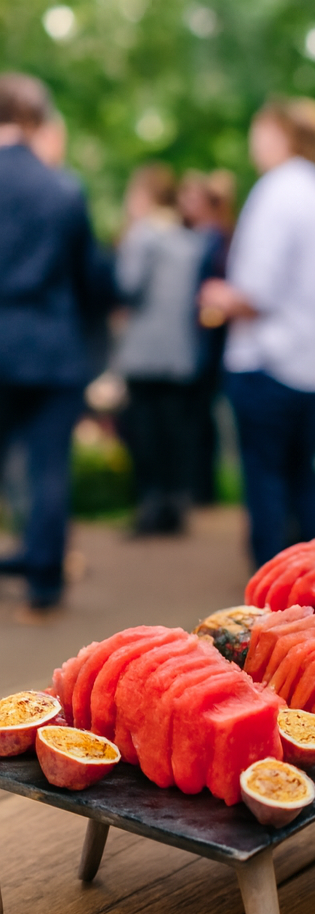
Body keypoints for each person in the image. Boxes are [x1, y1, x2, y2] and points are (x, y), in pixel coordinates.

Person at [199, 97, 315, 566]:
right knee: (303, 478)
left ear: (277, 132)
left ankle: (269, 598)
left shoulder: (278, 191)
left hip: (268, 363)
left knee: (266, 482)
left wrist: (218, 295)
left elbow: (256, 290)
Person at [0, 73, 114, 615]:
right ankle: (44, 579)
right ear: (35, 119)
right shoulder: (62, 187)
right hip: (51, 347)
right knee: (49, 467)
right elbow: (91, 278)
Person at [114, 163, 206, 535]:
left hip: (144, 350)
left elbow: (127, 286)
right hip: (180, 351)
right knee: (174, 431)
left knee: (144, 432)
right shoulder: (189, 239)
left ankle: (150, 506)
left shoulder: (142, 236)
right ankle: (174, 505)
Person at [178, 169, 235, 506]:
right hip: (196, 337)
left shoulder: (217, 238)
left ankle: (202, 487)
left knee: (201, 412)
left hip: (209, 338)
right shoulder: (194, 236)